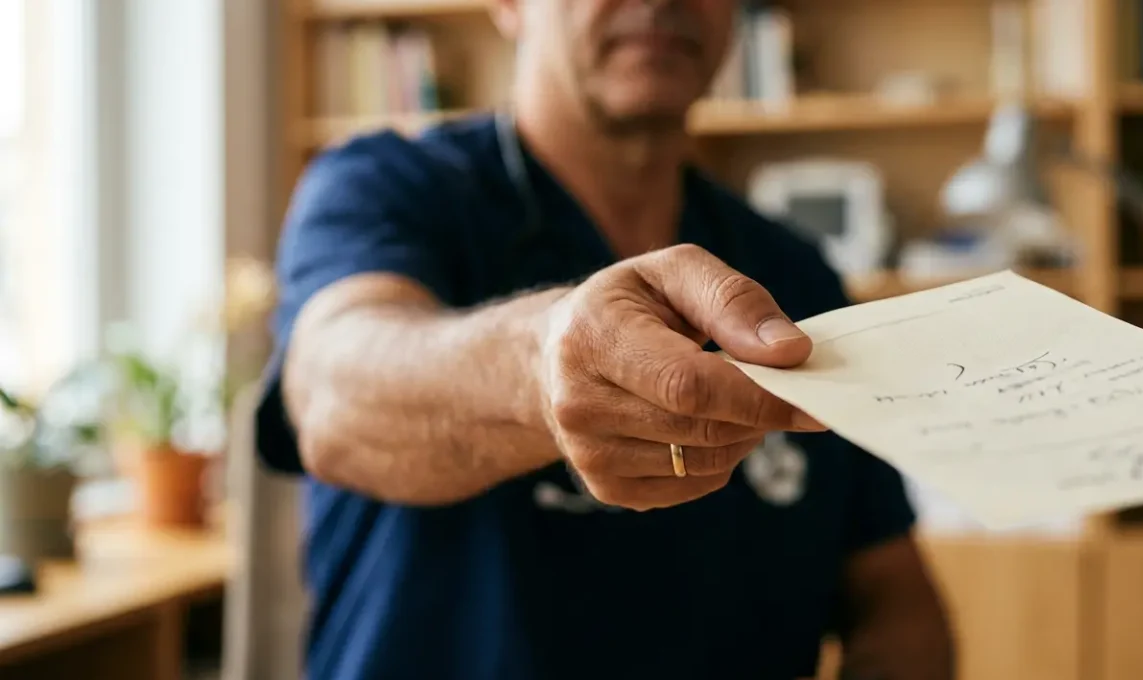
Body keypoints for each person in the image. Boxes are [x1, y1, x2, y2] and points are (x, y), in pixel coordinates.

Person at [256, 0, 955, 678]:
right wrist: (542, 364)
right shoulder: (383, 191)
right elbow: (331, 392)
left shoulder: (794, 277)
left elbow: (893, 593)